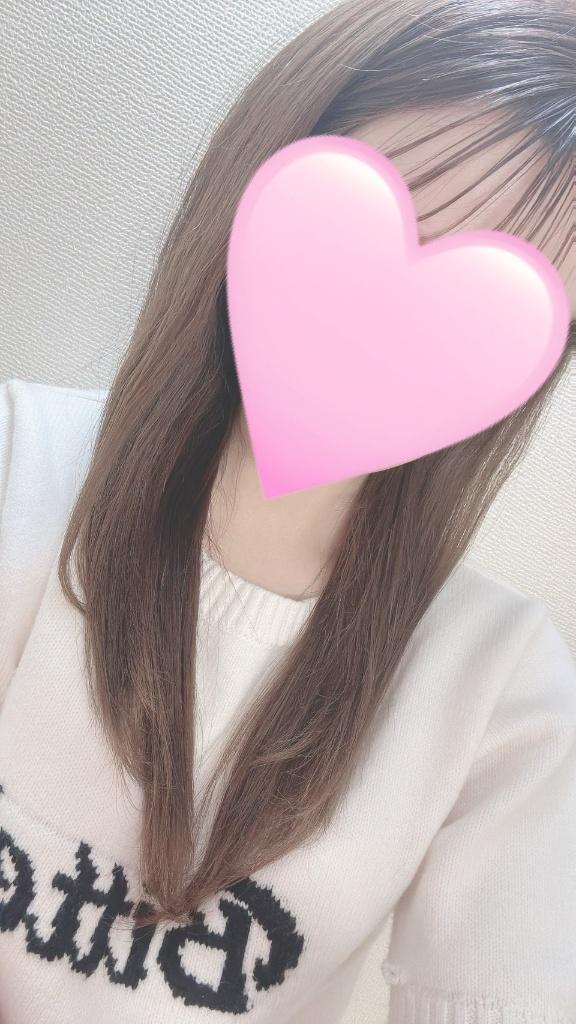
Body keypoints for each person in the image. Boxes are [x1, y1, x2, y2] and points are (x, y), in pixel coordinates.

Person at [0, 0, 575, 1021]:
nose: (394, 328)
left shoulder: (506, 689)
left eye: (488, 305)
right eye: (396, 218)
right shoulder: (15, 464)